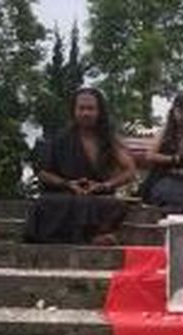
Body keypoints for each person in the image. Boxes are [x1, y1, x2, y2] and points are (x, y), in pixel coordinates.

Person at [24, 88, 137, 245]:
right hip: (65, 193)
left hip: (96, 194)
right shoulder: (60, 139)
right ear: (74, 111)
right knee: (45, 204)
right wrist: (67, 184)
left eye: (91, 109)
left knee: (115, 205)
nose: (86, 113)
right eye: (81, 108)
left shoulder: (108, 140)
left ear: (99, 111)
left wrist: (104, 186)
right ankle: (90, 238)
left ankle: (95, 235)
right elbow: (43, 173)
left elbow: (130, 171)